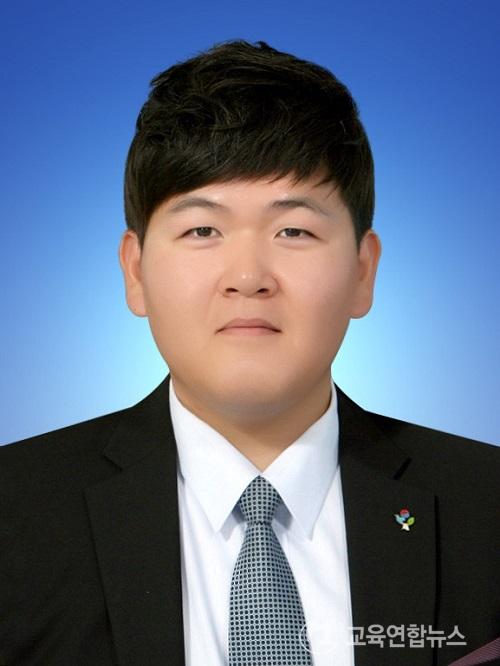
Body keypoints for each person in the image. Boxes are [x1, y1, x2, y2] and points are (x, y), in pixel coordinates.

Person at [0, 39, 498, 666]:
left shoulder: (486, 510)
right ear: (135, 271)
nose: (247, 277)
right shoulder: (14, 513)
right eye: (201, 229)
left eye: (294, 230)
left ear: (362, 271)